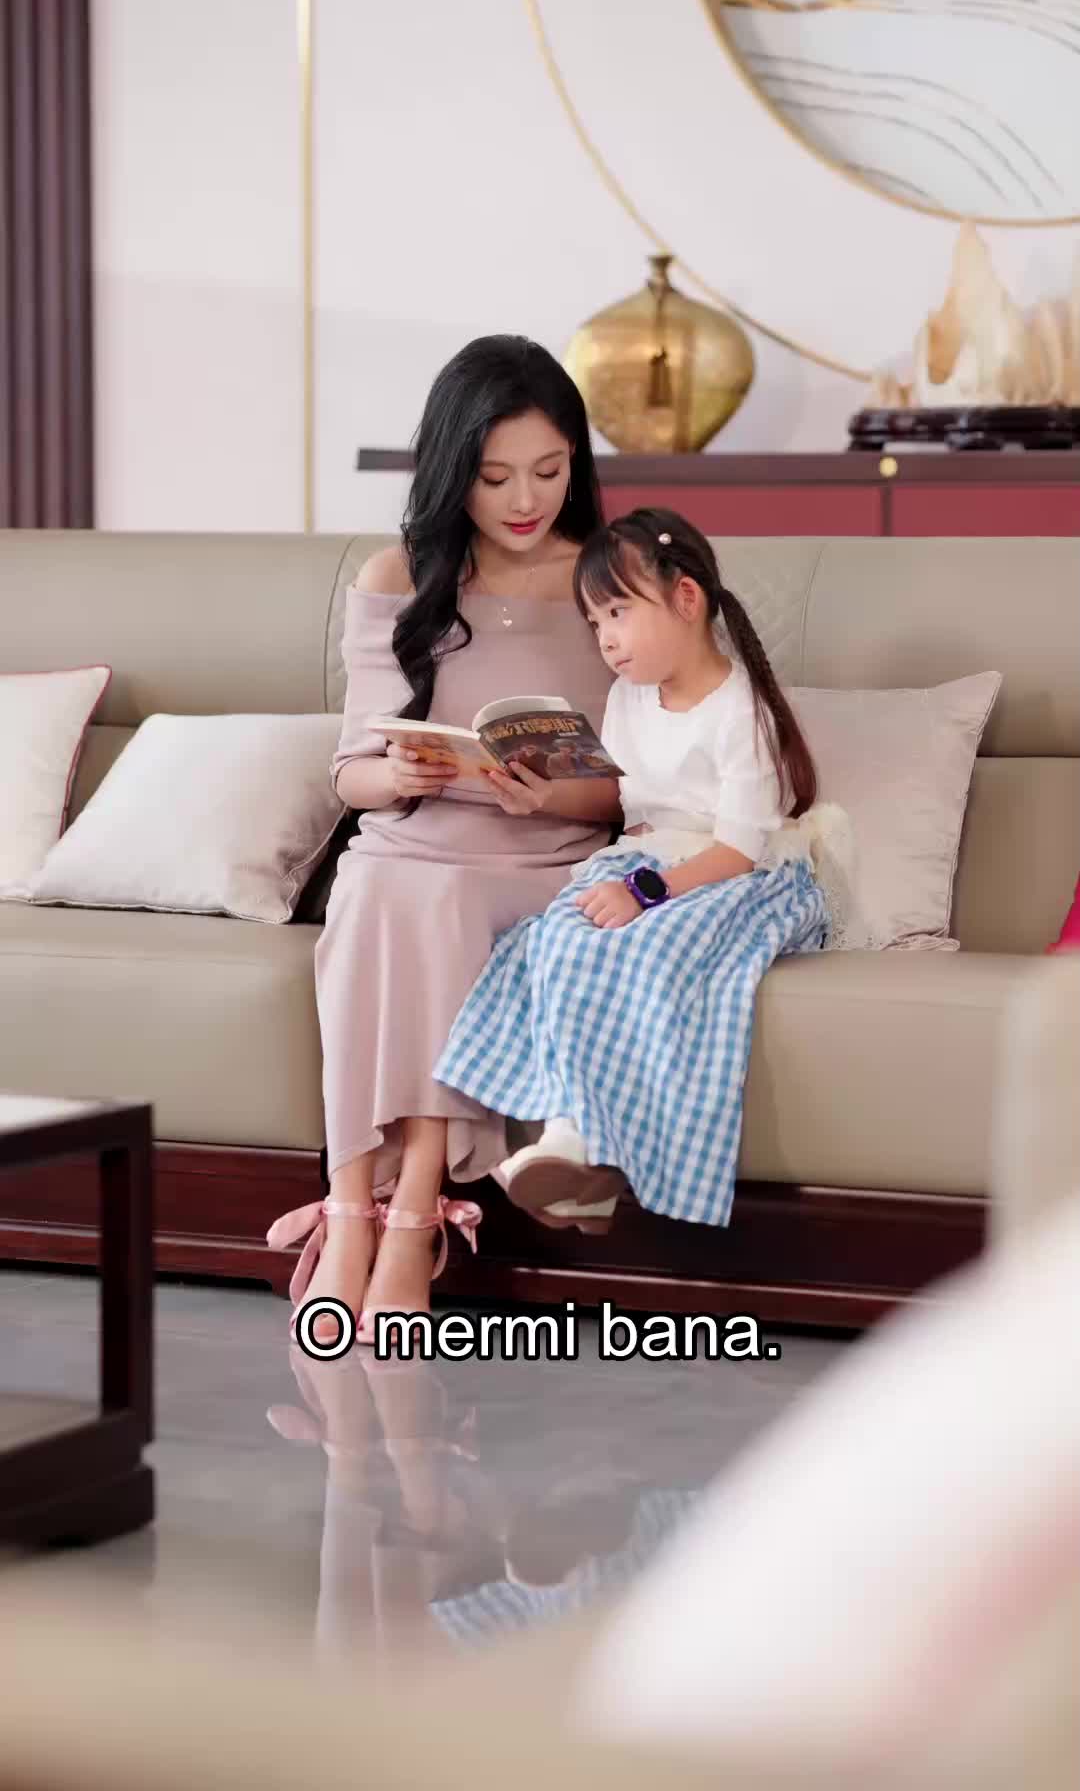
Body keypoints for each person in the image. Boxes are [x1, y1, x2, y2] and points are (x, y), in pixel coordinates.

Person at [266, 336, 620, 1343]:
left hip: (541, 854)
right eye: (495, 477)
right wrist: (401, 775)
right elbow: (352, 774)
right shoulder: (398, 572)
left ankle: (407, 1217)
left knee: (447, 904)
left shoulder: (608, 576)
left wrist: (544, 795)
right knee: (378, 891)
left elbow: (629, 792)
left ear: (577, 463)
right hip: (410, 840)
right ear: (452, 469)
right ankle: (355, 1215)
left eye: (549, 471)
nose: (525, 500)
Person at [434, 508, 833, 1230]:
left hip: (733, 873)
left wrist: (644, 894)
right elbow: (628, 806)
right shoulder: (627, 697)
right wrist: (544, 796)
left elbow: (738, 850)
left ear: (686, 599)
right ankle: (572, 1145)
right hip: (647, 859)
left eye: (618, 612)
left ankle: (591, 1152)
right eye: (595, 622)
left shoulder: (740, 711)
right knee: (554, 939)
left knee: (651, 950)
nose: (606, 638)